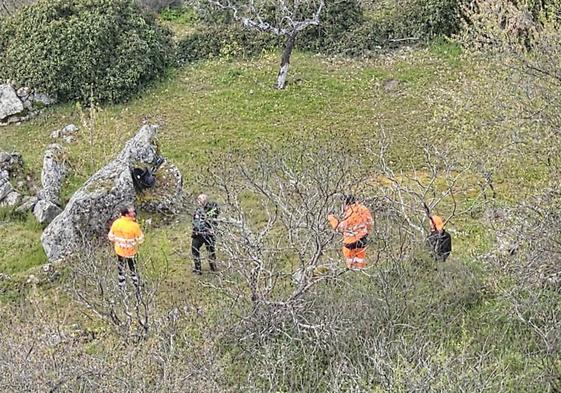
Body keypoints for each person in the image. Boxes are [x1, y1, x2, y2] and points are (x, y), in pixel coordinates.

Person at [328, 195, 374, 269]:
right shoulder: (363, 208)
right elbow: (370, 223)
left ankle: (351, 272)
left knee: (350, 261)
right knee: (360, 260)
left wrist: (331, 219)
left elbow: (340, 228)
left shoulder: (349, 213)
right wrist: (366, 231)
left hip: (349, 242)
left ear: (346, 204)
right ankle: (360, 273)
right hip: (362, 239)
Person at [108, 206, 144, 290]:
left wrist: (119, 242)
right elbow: (141, 239)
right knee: (133, 268)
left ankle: (121, 285)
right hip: (131, 251)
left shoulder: (116, 223)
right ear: (127, 214)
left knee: (121, 267)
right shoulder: (134, 226)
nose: (134, 212)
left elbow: (110, 236)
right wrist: (133, 242)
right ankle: (136, 285)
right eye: (132, 212)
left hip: (119, 250)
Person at [191, 194, 220, 274]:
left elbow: (215, 214)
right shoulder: (197, 210)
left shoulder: (212, 207)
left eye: (201, 199)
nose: (199, 201)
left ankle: (213, 267)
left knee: (211, 250)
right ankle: (197, 269)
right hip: (198, 233)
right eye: (198, 199)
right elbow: (195, 220)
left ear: (205, 200)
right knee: (194, 249)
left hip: (208, 233)